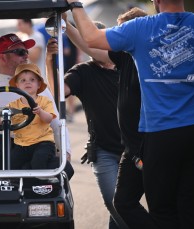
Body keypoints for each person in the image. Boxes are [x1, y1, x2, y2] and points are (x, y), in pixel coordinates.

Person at [66, 0, 194, 228]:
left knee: (163, 210)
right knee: (191, 207)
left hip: (161, 133)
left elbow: (90, 38)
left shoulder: (140, 27)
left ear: (156, 1)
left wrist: (75, 5)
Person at [63, 7, 158, 229]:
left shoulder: (149, 58)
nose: (120, 35)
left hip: (154, 142)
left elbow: (92, 43)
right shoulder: (122, 58)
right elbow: (90, 45)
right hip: (125, 148)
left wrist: (74, 6)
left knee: (158, 205)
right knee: (121, 204)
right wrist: (66, 25)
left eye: (123, 30)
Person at [0, 33, 74, 179]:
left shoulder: (38, 90)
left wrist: (65, 152)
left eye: (26, 52)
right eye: (20, 52)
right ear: (3, 57)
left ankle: (36, 197)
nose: (26, 56)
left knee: (63, 168)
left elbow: (57, 125)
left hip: (29, 146)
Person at [46, 21, 127, 229]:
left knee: (125, 208)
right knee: (117, 204)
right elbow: (56, 95)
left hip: (135, 148)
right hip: (104, 151)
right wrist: (49, 62)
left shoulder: (127, 65)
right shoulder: (83, 71)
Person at [8, 63, 56, 169]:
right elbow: (1, 118)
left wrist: (40, 112)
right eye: (23, 80)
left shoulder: (44, 101)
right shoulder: (13, 105)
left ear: (39, 84)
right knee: (10, 164)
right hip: (21, 144)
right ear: (17, 85)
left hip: (42, 142)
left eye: (32, 80)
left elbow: (49, 119)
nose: (28, 82)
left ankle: (42, 182)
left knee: (39, 160)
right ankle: (19, 184)